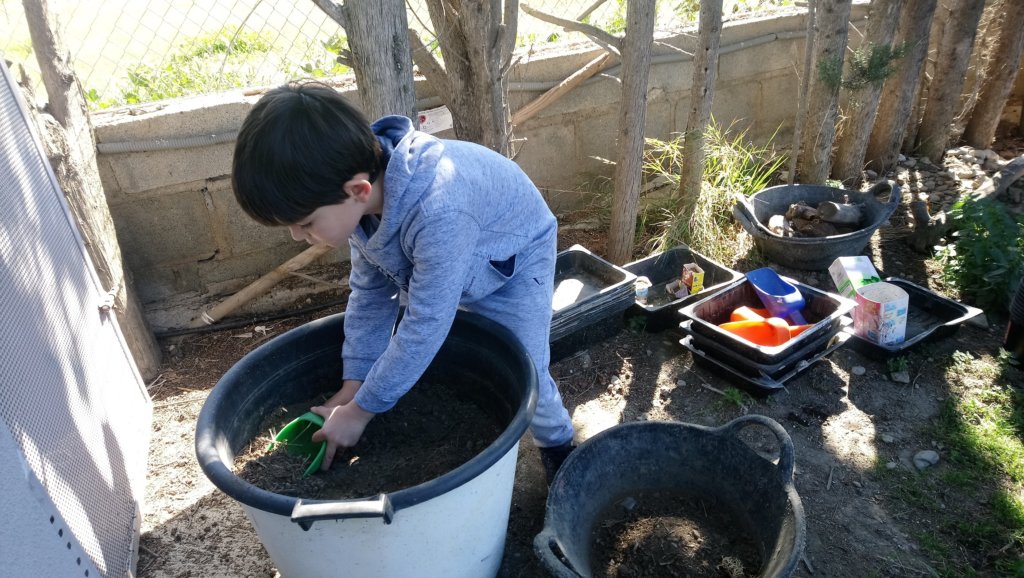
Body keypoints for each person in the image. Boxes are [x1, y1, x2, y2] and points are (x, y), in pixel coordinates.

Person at [231, 80, 576, 482]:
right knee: (421, 336)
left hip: (514, 255)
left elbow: (426, 323)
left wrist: (362, 412)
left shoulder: (438, 211)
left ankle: (560, 448)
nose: (296, 236)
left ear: (358, 190)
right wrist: (353, 388)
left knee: (528, 366)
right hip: (449, 255)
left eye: (305, 223)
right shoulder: (359, 202)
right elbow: (369, 296)